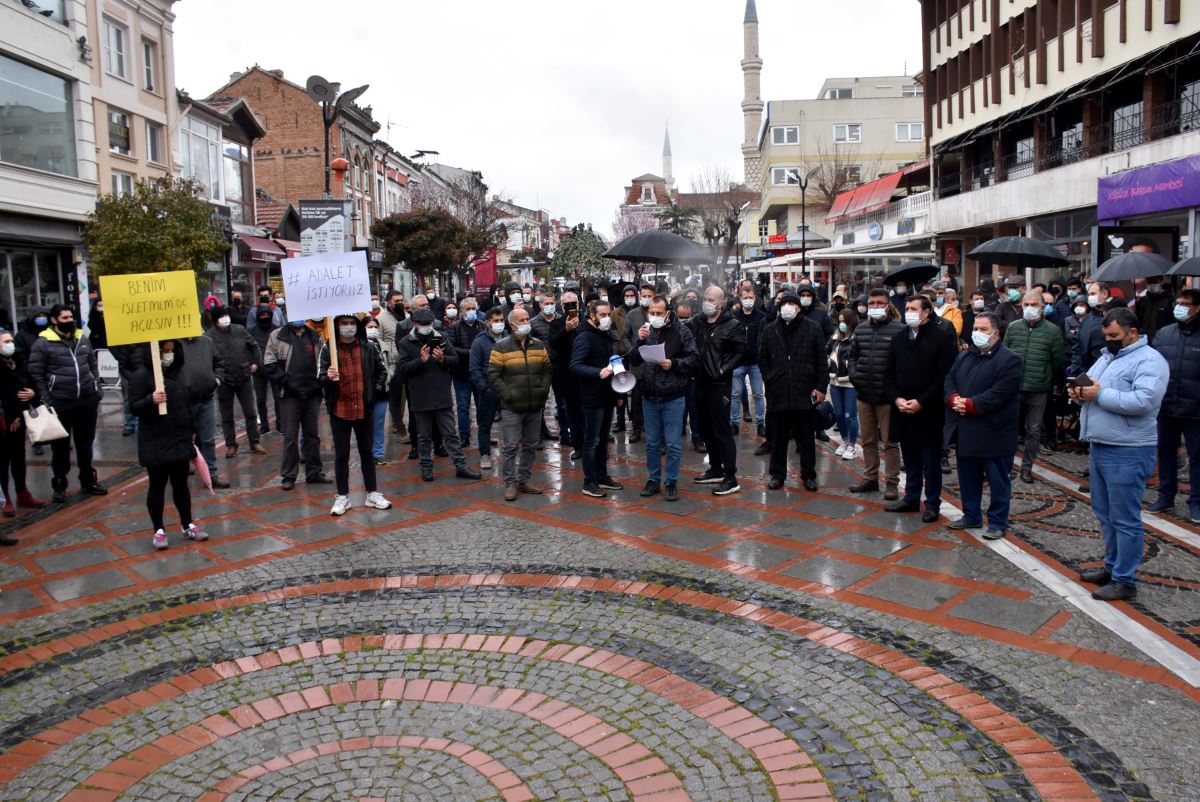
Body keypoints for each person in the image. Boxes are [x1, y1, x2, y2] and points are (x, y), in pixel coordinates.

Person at [1070, 308, 1168, 601]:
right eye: (1106, 335)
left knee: (1125, 518)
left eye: (1114, 335)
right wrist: (1079, 394)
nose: (1108, 340)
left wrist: (1097, 395)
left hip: (1129, 449)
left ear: (1132, 332)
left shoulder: (1150, 361)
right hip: (1100, 444)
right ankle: (1112, 567)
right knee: (1105, 513)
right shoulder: (1108, 357)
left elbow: (1144, 401)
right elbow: (1093, 388)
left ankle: (1125, 579)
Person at [945, 313, 1023, 539]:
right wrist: (953, 399)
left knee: (998, 480)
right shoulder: (965, 356)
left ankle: (998, 522)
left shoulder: (1009, 359)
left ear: (995, 333)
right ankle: (971, 515)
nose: (977, 333)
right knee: (968, 477)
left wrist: (970, 404)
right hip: (967, 429)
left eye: (983, 329)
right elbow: (949, 380)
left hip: (994, 431)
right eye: (975, 328)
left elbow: (999, 393)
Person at [884, 295, 958, 522]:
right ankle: (911, 497)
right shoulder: (898, 339)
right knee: (911, 458)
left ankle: (933, 503)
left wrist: (921, 401)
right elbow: (888, 374)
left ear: (926, 312)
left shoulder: (943, 338)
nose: (909, 313)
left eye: (914, 309)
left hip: (928, 410)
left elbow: (943, 376)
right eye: (907, 308)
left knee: (930, 461)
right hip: (903, 409)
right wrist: (896, 399)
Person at [129, 340, 209, 550]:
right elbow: (134, 407)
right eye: (165, 351)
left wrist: (191, 431)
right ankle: (159, 529)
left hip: (179, 436)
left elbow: (186, 403)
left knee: (181, 483)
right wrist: (150, 400)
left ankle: (187, 524)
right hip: (155, 438)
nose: (169, 354)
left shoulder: (177, 373)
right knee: (157, 484)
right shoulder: (142, 376)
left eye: (172, 350)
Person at [28, 304, 106, 502]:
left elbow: (92, 364)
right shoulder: (43, 343)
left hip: (86, 400)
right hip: (61, 402)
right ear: (54, 320)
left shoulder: (82, 338)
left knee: (85, 444)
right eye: (64, 318)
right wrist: (47, 398)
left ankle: (88, 480)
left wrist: (96, 389)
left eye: (70, 317)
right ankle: (60, 483)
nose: (69, 321)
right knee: (61, 447)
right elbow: (36, 374)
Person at [319, 314, 394, 515]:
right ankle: (342, 496)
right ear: (337, 326)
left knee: (367, 453)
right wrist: (328, 377)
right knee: (341, 454)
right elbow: (320, 378)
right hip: (340, 410)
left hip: (364, 408)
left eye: (352, 323)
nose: (349, 327)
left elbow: (382, 372)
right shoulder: (329, 349)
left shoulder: (369, 347)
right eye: (344, 323)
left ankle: (372, 493)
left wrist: (373, 392)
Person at [396, 308, 480, 483]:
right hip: (420, 396)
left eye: (429, 324)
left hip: (441, 395)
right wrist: (421, 361)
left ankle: (461, 466)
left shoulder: (441, 338)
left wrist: (443, 359)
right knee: (424, 436)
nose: (426, 327)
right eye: (423, 324)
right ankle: (426, 468)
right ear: (415, 324)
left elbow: (455, 360)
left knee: (450, 434)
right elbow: (402, 369)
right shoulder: (406, 342)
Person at [628, 295, 698, 501]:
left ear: (668, 312)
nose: (655, 316)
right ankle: (653, 480)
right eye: (652, 312)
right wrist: (639, 340)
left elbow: (694, 359)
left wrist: (673, 364)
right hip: (649, 395)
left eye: (659, 313)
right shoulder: (646, 331)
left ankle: (671, 482)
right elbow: (632, 359)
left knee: (674, 443)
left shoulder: (682, 331)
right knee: (651, 443)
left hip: (673, 396)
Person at [759, 292, 826, 491]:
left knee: (806, 437)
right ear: (779, 308)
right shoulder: (770, 330)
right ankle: (777, 474)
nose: (788, 307)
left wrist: (821, 387)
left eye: (792, 303)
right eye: (784, 303)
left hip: (804, 391)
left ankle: (809, 474)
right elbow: (762, 358)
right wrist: (769, 378)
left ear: (799, 308)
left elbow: (822, 360)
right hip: (778, 390)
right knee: (778, 437)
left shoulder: (812, 328)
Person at [489, 306, 553, 500]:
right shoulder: (501, 347)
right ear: (512, 324)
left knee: (531, 445)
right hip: (512, 408)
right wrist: (508, 394)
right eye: (522, 320)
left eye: (527, 319)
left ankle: (524, 480)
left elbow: (547, 370)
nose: (527, 323)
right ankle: (510, 482)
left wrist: (543, 391)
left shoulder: (538, 345)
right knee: (509, 446)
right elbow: (492, 375)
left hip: (534, 406)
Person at [1003, 290, 1066, 484]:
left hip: (1039, 388)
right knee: (1008, 427)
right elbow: (1004, 354)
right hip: (1014, 386)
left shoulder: (1052, 330)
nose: (1029, 308)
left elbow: (1058, 361)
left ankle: (1027, 468)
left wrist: (1049, 380)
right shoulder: (1013, 328)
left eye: (1034, 305)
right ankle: (1004, 467)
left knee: (1034, 430)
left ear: (1042, 307)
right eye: (1026, 305)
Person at [688, 286, 745, 496]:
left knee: (722, 431)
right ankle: (715, 468)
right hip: (700, 382)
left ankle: (731, 477)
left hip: (720, 385)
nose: (707, 302)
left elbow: (741, 353)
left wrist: (723, 369)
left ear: (721, 303)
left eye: (711, 299)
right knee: (704, 429)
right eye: (705, 298)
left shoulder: (733, 325)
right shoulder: (698, 322)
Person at [1148, 289, 1200, 522]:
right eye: (1177, 302)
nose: (1180, 307)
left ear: (1197, 308)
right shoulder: (1165, 333)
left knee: (1197, 455)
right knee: (1165, 452)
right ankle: (1166, 495)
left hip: (1196, 408)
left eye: (1186, 304)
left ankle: (1197, 501)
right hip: (1167, 405)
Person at [848, 289, 904, 500]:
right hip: (864, 394)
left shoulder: (899, 330)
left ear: (888, 306)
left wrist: (896, 388)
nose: (875, 306)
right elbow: (852, 356)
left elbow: (904, 362)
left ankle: (891, 482)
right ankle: (871, 477)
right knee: (868, 440)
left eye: (880, 303)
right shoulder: (861, 330)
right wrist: (855, 375)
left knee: (890, 442)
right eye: (872, 303)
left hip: (888, 398)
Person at [263, 319, 330, 491]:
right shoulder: (277, 336)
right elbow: (269, 363)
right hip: (290, 395)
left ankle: (314, 471)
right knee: (290, 436)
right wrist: (286, 382)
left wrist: (318, 384)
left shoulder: (314, 336)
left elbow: (322, 361)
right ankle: (289, 475)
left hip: (312, 393)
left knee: (312, 435)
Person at [571, 300, 623, 497]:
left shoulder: (605, 334)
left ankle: (602, 476)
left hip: (608, 394)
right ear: (592, 316)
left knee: (602, 439)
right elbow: (575, 365)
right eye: (602, 315)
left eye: (608, 314)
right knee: (592, 440)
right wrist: (597, 372)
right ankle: (589, 481)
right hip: (592, 396)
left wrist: (618, 393)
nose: (607, 318)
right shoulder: (584, 337)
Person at [207, 306, 265, 458]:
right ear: (215, 321)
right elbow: (209, 359)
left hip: (243, 376)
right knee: (226, 415)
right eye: (221, 316)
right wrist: (216, 376)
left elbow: (254, 346)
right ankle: (231, 445)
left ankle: (254, 441)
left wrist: (255, 363)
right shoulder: (209, 336)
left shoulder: (239, 330)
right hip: (224, 380)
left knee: (250, 412)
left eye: (226, 315)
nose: (225, 318)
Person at [0, 328, 43, 527]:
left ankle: (22, 491)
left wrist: (33, 393)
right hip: (5, 420)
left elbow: (31, 382)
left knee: (18, 457)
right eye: (5, 341)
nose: (10, 344)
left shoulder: (18, 361)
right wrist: (10, 416)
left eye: (10, 340)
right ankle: (5, 497)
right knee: (3, 460)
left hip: (21, 417)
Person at [471, 307, 508, 471]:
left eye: (502, 320)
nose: (500, 324)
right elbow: (474, 368)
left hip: (508, 389)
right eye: (496, 321)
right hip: (489, 389)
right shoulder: (479, 341)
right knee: (485, 424)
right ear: (488, 323)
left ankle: (509, 454)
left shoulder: (509, 338)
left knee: (511, 423)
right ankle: (485, 454)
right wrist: (484, 388)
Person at [618, 283, 654, 443]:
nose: (646, 299)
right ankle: (636, 428)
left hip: (655, 363)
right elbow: (625, 336)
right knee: (637, 399)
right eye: (644, 295)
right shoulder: (632, 314)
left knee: (654, 398)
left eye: (649, 296)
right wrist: (631, 350)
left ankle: (651, 427)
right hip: (637, 363)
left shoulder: (659, 313)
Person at [730, 284, 767, 439]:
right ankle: (734, 423)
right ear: (740, 298)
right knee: (735, 394)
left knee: (758, 394)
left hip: (755, 363)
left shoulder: (761, 317)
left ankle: (760, 423)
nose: (748, 300)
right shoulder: (733, 316)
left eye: (751, 298)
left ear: (755, 298)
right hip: (737, 362)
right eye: (745, 298)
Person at [449, 296, 484, 448]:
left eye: (473, 308)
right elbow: (451, 348)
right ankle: (464, 436)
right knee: (463, 407)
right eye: (468, 309)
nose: (471, 312)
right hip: (461, 374)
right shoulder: (455, 327)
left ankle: (484, 435)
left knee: (482, 406)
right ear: (461, 311)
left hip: (479, 374)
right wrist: (471, 352)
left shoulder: (482, 326)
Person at [673, 300, 706, 454]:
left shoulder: (697, 327)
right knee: (676, 411)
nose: (683, 320)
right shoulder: (671, 328)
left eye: (686, 317)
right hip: (673, 375)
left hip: (692, 375)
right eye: (680, 317)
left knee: (694, 409)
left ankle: (697, 438)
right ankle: (674, 438)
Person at [828, 308, 859, 461]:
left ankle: (852, 445)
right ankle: (844, 441)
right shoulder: (834, 338)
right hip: (834, 381)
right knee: (839, 414)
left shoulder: (856, 339)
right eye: (839, 321)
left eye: (844, 322)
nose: (841, 324)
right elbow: (827, 352)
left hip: (850, 383)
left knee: (850, 415)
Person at [247, 303, 281, 434]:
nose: (265, 317)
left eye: (267, 314)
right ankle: (264, 426)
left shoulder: (277, 329)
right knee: (260, 399)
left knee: (278, 397)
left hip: (274, 368)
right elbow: (248, 349)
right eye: (262, 315)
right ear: (258, 316)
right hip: (258, 370)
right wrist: (252, 363)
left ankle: (280, 424)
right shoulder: (251, 331)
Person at [377, 290, 407, 439]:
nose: (400, 303)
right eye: (396, 301)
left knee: (405, 396)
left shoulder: (406, 316)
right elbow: (379, 341)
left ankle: (398, 421)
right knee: (395, 397)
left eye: (401, 300)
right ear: (389, 302)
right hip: (392, 363)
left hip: (407, 361)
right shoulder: (381, 319)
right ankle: (398, 425)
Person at [363, 317, 390, 465]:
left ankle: (378, 453)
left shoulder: (383, 345)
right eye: (369, 326)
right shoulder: (359, 345)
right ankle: (367, 453)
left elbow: (390, 364)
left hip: (381, 391)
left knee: (379, 423)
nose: (373, 329)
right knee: (365, 425)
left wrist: (388, 378)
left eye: (375, 326)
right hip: (364, 392)